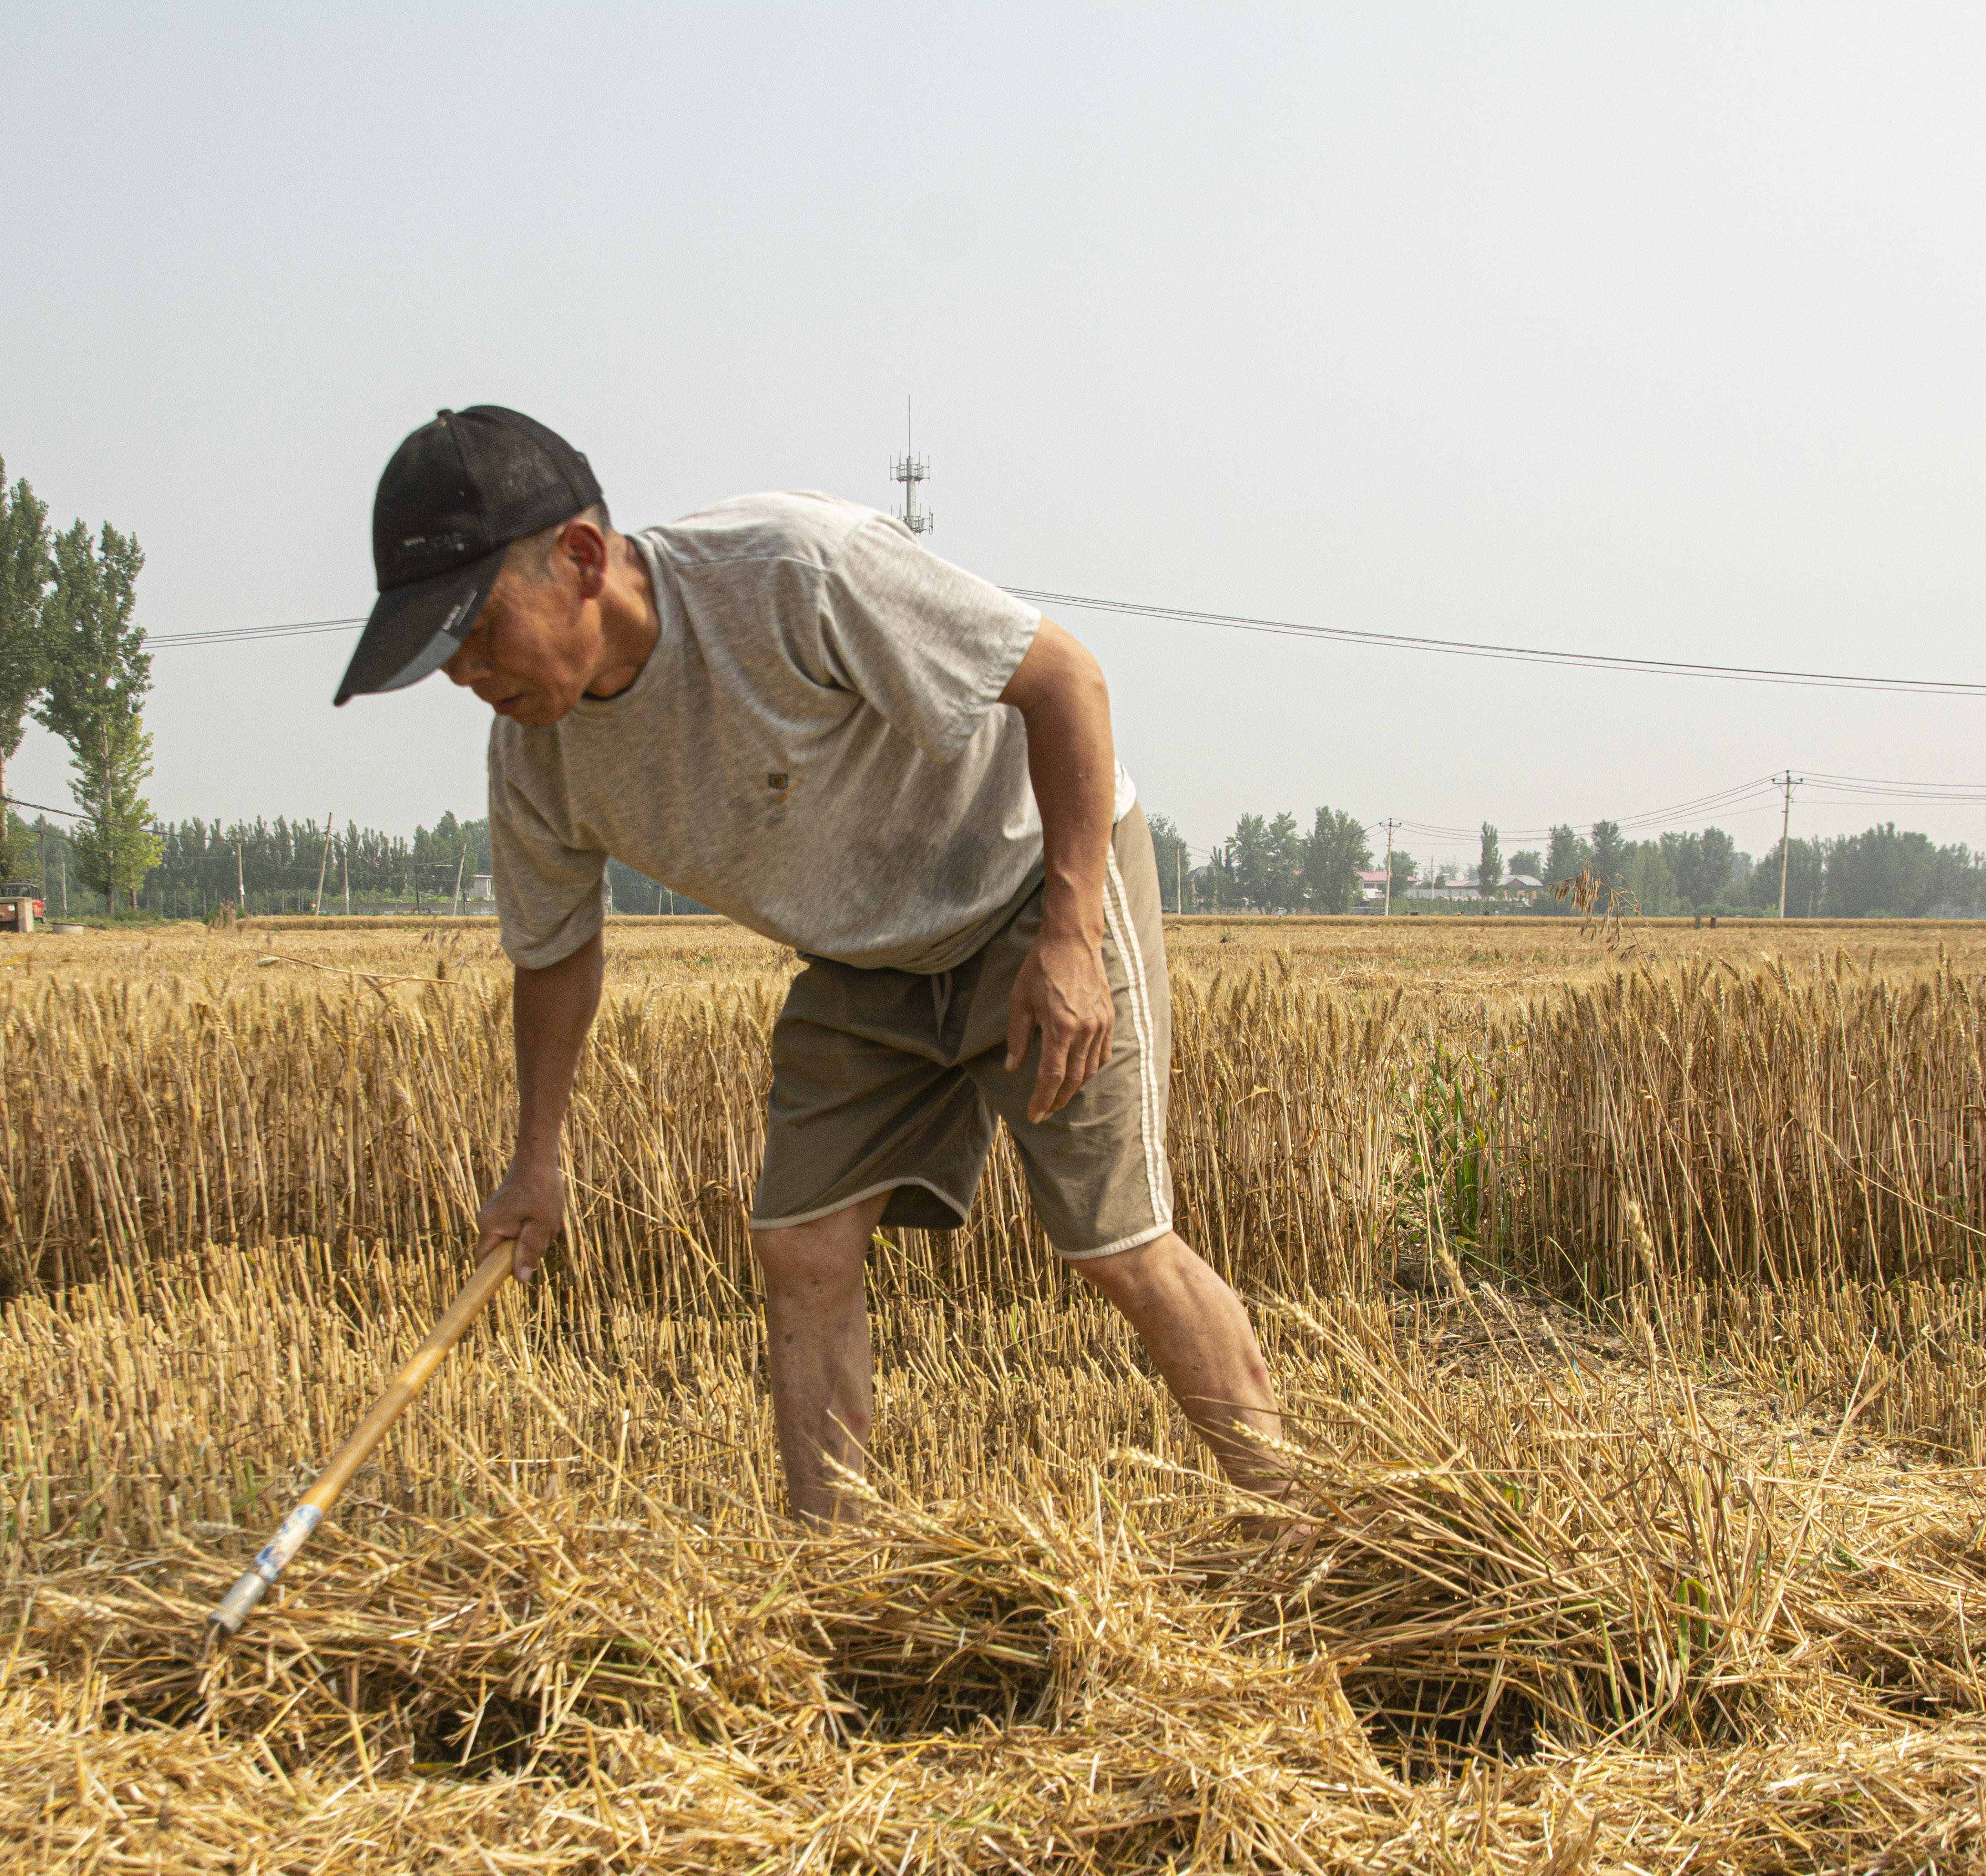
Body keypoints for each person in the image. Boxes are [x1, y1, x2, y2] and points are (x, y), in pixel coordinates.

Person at [334, 405, 1290, 1527]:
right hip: (862, 951)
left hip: (1030, 880)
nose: (465, 675)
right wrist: (534, 1158)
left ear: (581, 560)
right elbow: (556, 952)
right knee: (800, 1240)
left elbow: (1068, 682)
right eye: (446, 652)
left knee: (1115, 1241)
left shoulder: (793, 572)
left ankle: (1300, 1522)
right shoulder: (537, 756)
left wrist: (1073, 934)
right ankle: (834, 1575)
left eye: (479, 631)